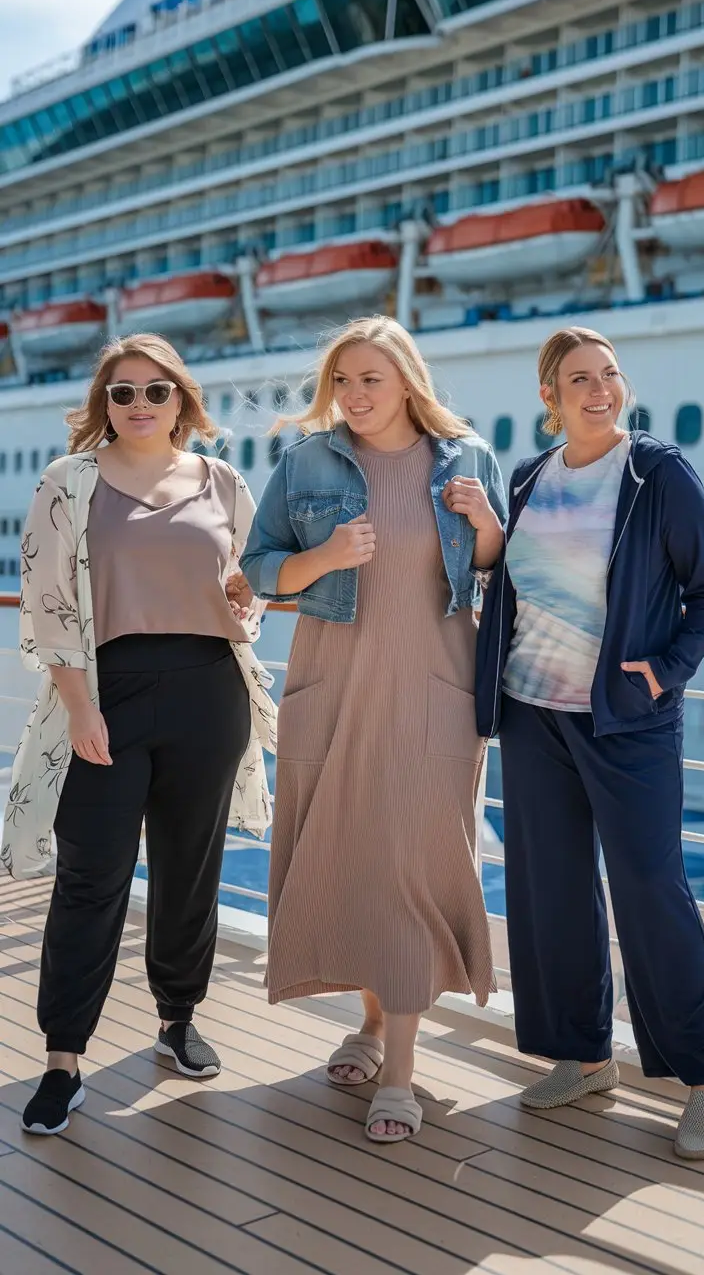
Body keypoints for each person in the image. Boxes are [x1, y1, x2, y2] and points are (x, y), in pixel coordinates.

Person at [239, 316, 506, 1143]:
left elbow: (500, 567)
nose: (354, 396)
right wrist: (323, 558)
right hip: (336, 685)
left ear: (407, 382)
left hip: (434, 690)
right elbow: (254, 569)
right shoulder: (307, 463)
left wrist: (487, 522)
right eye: (343, 381)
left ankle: (401, 1074)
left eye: (370, 380)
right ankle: (375, 1022)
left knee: (411, 866)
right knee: (355, 856)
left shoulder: (467, 459)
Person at [3, 332, 277, 1136]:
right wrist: (82, 709)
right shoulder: (69, 482)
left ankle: (177, 1019)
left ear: (181, 400)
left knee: (191, 868)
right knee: (91, 876)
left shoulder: (223, 481)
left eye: (157, 391)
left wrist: (245, 604)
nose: (139, 405)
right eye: (122, 393)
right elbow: (47, 603)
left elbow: (249, 585)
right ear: (104, 405)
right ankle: (63, 1058)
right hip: (106, 693)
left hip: (208, 692)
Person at [475, 325, 704, 1160]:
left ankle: (703, 1081)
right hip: (532, 713)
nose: (600, 389)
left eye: (610, 374)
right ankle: (584, 1058)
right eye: (579, 378)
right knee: (551, 893)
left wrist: (662, 672)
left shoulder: (658, 473)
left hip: (626, 718)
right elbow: (512, 586)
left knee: (652, 889)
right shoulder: (527, 478)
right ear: (549, 397)